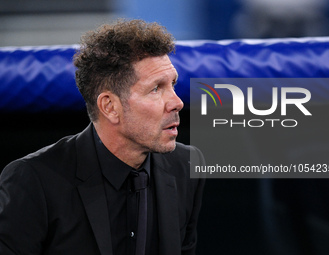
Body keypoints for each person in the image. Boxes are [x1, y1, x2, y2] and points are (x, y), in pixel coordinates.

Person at [0, 19, 205, 255]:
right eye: (156, 88)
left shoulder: (186, 165)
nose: (177, 102)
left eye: (173, 84)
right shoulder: (32, 181)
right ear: (109, 107)